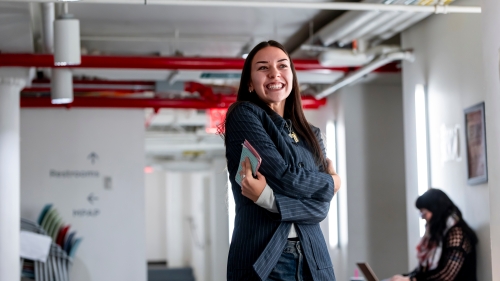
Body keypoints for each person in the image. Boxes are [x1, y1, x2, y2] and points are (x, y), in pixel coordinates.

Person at [221, 40, 341, 281]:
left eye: (282, 66)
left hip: (313, 257)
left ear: (292, 77)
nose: (274, 73)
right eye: (263, 68)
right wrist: (331, 182)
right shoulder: (245, 114)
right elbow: (284, 176)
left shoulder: (312, 134)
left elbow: (321, 208)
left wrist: (269, 199)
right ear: (250, 83)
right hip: (266, 256)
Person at [390, 188, 478, 281]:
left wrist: (411, 279)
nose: (422, 217)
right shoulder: (438, 233)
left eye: (424, 212)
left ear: (437, 211)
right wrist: (405, 277)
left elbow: (446, 276)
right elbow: (424, 271)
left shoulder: (457, 234)